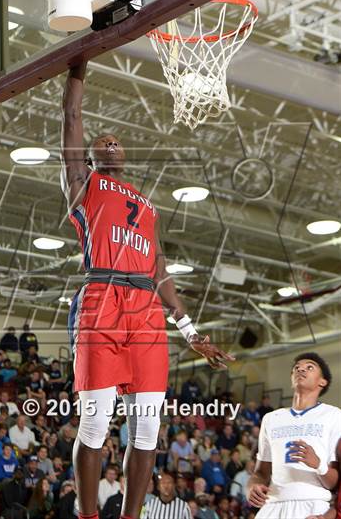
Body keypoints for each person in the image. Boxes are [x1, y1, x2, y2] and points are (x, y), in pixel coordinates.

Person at [60, 61, 234, 519]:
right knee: (96, 422)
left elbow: (160, 270)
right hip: (103, 298)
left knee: (146, 429)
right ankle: (87, 513)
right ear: (92, 156)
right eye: (102, 141)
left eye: (116, 141)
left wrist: (190, 328)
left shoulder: (149, 207)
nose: (111, 143)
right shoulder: (84, 185)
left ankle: (132, 516)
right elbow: (71, 118)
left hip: (146, 310)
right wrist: (78, 65)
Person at [247, 352, 341, 518]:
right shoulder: (271, 419)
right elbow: (261, 473)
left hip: (313, 505)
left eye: (309, 367)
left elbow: (334, 482)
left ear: (322, 381)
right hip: (273, 505)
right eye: (296, 368)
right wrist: (252, 487)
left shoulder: (334, 416)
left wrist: (319, 464)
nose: (301, 370)